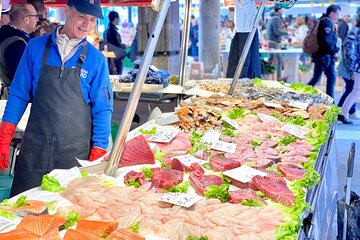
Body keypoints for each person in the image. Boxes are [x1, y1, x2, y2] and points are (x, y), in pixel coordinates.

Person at [0, 0, 113, 196]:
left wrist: (99, 149)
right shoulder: (34, 47)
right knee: (23, 210)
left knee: (69, 214)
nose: (87, 24)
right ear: (67, 10)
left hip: (75, 154)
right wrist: (6, 132)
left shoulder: (96, 60)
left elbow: (102, 108)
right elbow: (18, 94)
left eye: (92, 19)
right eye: (81, 16)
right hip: (35, 149)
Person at [0, 3, 37, 99]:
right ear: (26, 19)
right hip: (16, 97)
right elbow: (21, 76)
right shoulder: (16, 43)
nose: (37, 20)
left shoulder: (7, 34)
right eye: (35, 16)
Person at [307, 5, 341, 99]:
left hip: (320, 55)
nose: (337, 16)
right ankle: (331, 102)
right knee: (331, 78)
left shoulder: (322, 20)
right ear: (332, 13)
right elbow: (326, 40)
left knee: (316, 78)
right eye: (337, 14)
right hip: (326, 55)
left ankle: (302, 93)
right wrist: (334, 51)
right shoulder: (327, 23)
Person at [226, 0, 261, 79]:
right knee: (244, 61)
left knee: (246, 60)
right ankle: (242, 81)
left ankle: (244, 80)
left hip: (247, 28)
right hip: (244, 28)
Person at [338, 13, 360, 124]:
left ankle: (345, 112)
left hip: (354, 67)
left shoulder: (354, 32)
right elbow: (352, 54)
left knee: (353, 91)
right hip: (355, 67)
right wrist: (351, 70)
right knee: (354, 91)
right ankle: (342, 112)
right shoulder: (354, 34)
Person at [266, 7, 288, 81]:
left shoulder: (273, 18)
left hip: (271, 42)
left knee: (271, 60)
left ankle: (265, 77)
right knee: (279, 61)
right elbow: (277, 31)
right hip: (274, 43)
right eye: (282, 8)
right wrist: (287, 32)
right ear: (279, 10)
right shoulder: (276, 18)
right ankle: (278, 79)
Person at [104, 11, 126, 75]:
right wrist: (123, 46)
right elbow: (114, 46)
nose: (119, 20)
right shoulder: (112, 31)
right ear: (115, 19)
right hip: (114, 60)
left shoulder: (107, 30)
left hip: (110, 59)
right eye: (118, 18)